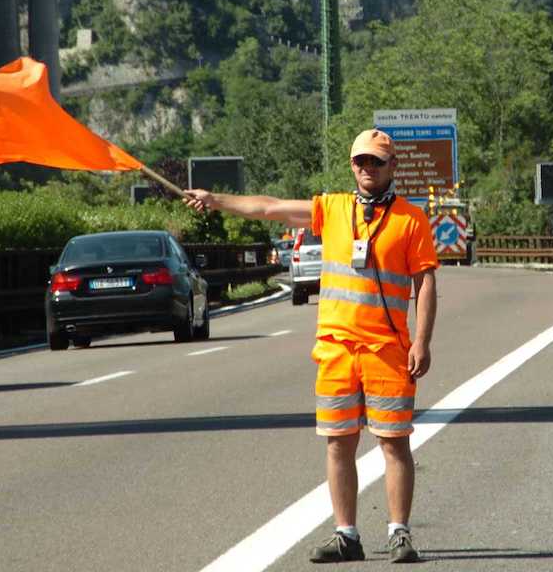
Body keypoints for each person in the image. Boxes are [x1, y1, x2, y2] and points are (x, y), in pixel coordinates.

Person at [184, 128, 438, 564]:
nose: (367, 168)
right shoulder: (333, 208)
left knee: (393, 442)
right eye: (361, 161)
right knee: (339, 442)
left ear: (392, 166)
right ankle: (346, 535)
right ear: (351, 165)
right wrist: (215, 200)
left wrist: (422, 340)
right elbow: (270, 207)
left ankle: (399, 533)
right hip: (337, 350)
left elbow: (426, 281)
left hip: (387, 351)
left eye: (376, 161)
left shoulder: (411, 219)